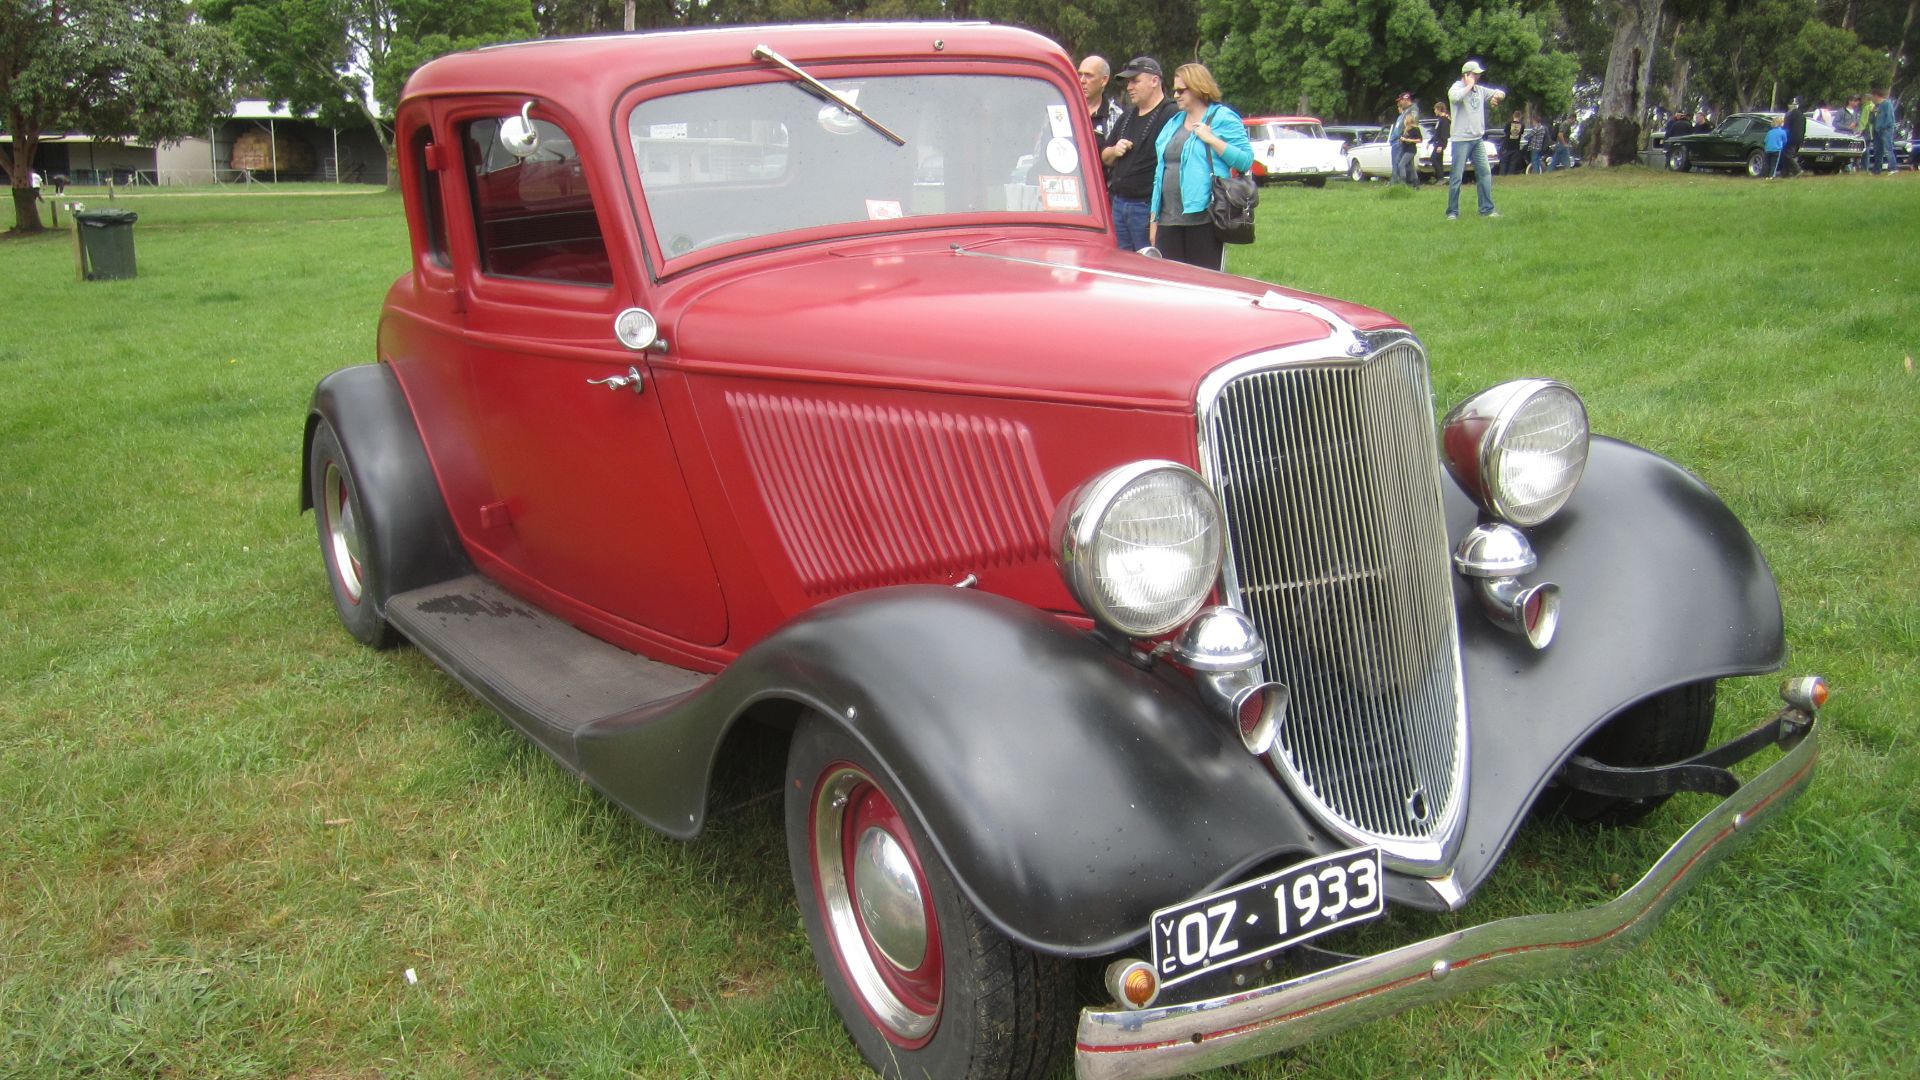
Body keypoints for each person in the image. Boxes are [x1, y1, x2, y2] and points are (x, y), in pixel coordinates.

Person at [1149, 62, 1252, 270]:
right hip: (1169, 221)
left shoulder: (1222, 117)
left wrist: (1212, 139)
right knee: (1170, 285)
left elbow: (1245, 160)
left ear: (1198, 87)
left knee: (1204, 285)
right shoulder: (1174, 122)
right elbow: (1160, 172)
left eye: (1181, 90)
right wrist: (1154, 219)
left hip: (1205, 219)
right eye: (1174, 90)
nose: (1176, 95)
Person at [1102, 56, 1179, 251]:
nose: (1129, 87)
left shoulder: (1172, 114)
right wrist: (1115, 150)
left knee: (1147, 266)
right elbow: (1104, 156)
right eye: (1128, 82)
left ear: (1155, 81)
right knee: (1121, 266)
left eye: (1135, 80)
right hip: (1119, 204)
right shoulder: (1127, 115)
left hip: (1147, 207)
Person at [1445, 59, 1505, 219]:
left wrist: (1497, 98)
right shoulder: (1456, 88)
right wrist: (1469, 85)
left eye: (1478, 75)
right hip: (1461, 140)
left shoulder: (1479, 90)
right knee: (1457, 176)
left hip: (1477, 139)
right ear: (1466, 75)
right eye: (1474, 74)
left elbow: (1500, 92)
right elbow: (1455, 98)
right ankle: (1452, 212)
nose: (1477, 77)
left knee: (1485, 173)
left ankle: (1487, 209)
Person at [1077, 56, 1121, 144]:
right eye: (1080, 74)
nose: (1082, 80)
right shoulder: (1064, 108)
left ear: (1104, 80)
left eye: (1089, 75)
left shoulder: (1116, 115)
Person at [1387, 92, 1417, 186]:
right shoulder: (1407, 110)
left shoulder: (1413, 109)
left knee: (1401, 163)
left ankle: (1404, 183)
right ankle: (1412, 183)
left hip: (1406, 140)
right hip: (1402, 140)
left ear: (1406, 99)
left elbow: (1411, 123)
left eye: (1401, 100)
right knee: (1407, 164)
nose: (1400, 102)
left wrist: (1404, 136)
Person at [1395, 95, 1424, 186]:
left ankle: (1402, 183)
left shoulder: (1414, 129)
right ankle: (1416, 184)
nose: (1404, 120)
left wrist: (1407, 139)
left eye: (1405, 119)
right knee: (1411, 167)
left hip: (1410, 150)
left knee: (1401, 165)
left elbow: (1419, 140)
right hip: (1405, 148)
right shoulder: (1406, 129)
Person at [1868, 87, 1896, 174]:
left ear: (1876, 96)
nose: (1871, 99)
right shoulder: (1876, 106)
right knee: (1877, 151)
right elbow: (1871, 121)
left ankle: (1893, 168)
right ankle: (1876, 170)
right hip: (1876, 131)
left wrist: (1883, 127)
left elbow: (1890, 119)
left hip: (1885, 130)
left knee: (1888, 149)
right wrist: (1872, 112)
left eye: (1872, 97)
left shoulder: (1887, 104)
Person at [1782, 99, 1806, 178]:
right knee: (1789, 155)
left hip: (1791, 138)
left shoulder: (1790, 114)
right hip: (1800, 138)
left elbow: (1786, 127)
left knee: (1788, 155)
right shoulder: (1802, 115)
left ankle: (1798, 170)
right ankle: (1785, 173)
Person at [1429, 102, 1451, 183]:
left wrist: (1441, 145)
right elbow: (1437, 133)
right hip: (1437, 142)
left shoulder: (1444, 120)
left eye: (1435, 109)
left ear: (1439, 109)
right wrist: (1430, 142)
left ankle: (1441, 177)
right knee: (1438, 160)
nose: (1434, 111)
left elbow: (1444, 134)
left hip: (1440, 143)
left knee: (1433, 158)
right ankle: (1440, 178)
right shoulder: (1440, 119)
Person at [1504, 109, 1525, 174]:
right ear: (1520, 116)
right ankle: (1510, 175)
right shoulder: (1522, 125)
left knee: (1504, 162)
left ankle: (1503, 175)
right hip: (1516, 146)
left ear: (1513, 115)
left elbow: (1505, 133)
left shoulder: (1508, 123)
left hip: (1507, 145)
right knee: (1513, 163)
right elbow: (1521, 133)